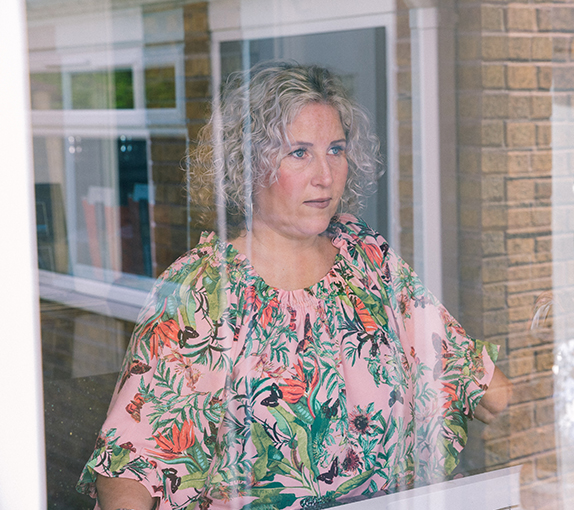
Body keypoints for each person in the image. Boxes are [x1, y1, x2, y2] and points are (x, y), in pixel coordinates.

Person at [77, 61, 511, 510]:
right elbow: (132, 467)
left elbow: (481, 385)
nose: (325, 175)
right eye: (299, 152)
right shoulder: (203, 291)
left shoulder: (367, 257)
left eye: (336, 149)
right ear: (247, 165)